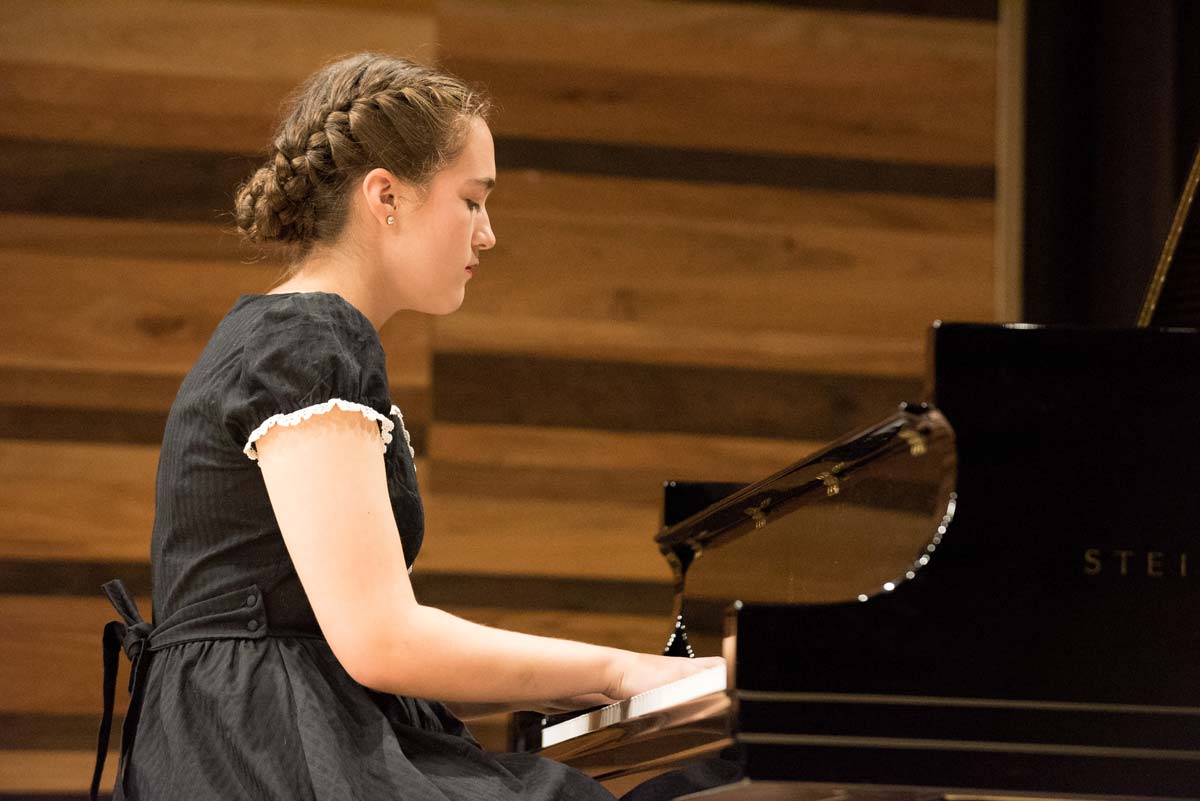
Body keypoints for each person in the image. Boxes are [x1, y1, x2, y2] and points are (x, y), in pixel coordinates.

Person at [90, 52, 723, 801]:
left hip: (246, 728)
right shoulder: (308, 344)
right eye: (472, 200)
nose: (487, 234)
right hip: (266, 748)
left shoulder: (287, 336)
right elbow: (383, 640)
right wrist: (625, 670)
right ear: (385, 196)